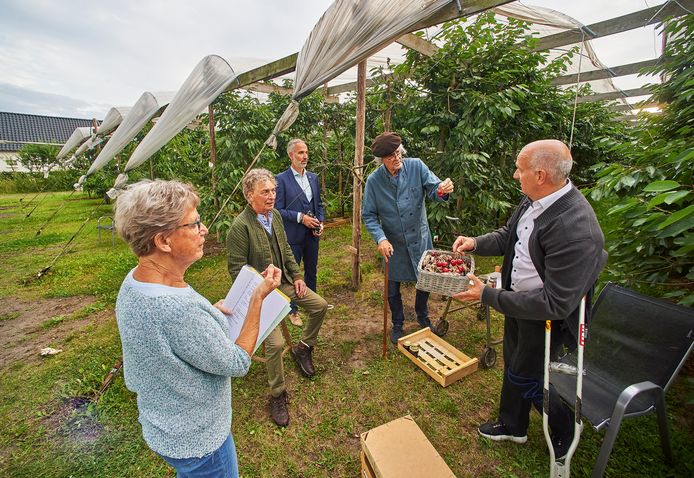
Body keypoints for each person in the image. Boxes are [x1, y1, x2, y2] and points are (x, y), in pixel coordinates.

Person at [114, 179, 282, 478]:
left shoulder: (134, 282)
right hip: (199, 440)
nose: (204, 230)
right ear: (164, 241)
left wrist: (208, 318)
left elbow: (171, 337)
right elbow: (238, 362)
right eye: (194, 224)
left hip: (166, 426)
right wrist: (257, 298)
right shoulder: (177, 310)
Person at [452, 139, 607, 459]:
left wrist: (489, 295)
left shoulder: (575, 228)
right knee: (514, 363)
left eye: (519, 170)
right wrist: (475, 243)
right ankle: (513, 425)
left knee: (528, 375)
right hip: (519, 303)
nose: (514, 175)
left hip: (545, 317)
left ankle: (564, 431)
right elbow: (510, 236)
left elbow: (555, 303)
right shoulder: (535, 198)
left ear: (540, 174)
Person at [226, 168, 328, 427]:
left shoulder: (276, 218)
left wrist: (296, 276)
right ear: (250, 195)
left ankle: (303, 348)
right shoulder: (239, 228)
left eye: (273, 191)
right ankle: (277, 394)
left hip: (284, 284)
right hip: (260, 295)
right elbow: (236, 270)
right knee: (274, 343)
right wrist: (261, 284)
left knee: (320, 306)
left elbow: (286, 250)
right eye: (265, 192)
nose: (271, 196)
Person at [362, 132, 454, 343]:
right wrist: (380, 239)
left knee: (424, 280)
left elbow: (434, 190)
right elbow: (369, 215)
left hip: (419, 237)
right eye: (390, 157)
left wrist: (442, 190)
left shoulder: (416, 166)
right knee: (392, 287)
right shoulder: (374, 181)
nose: (397, 159)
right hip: (393, 243)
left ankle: (422, 315)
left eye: (398, 153)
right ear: (381, 160)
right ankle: (398, 323)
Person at [275, 138, 325, 327]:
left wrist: (320, 222)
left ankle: (313, 305)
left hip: (312, 235)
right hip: (293, 236)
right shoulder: (281, 179)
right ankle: (292, 310)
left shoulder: (313, 177)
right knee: (291, 274)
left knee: (311, 270)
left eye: (306, 152)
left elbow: (319, 204)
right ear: (291, 155)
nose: (305, 156)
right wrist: (300, 217)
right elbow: (277, 210)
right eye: (300, 153)